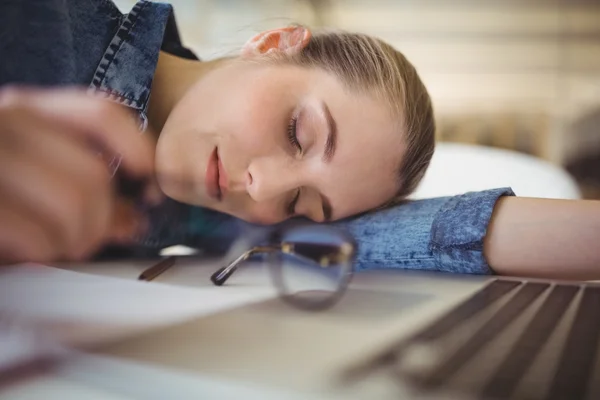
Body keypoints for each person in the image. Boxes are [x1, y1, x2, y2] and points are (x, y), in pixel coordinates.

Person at [0, 0, 598, 280]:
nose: (262, 188)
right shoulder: (39, 18)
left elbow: (388, 237)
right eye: (297, 133)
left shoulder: (195, 214)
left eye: (298, 205)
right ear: (273, 43)